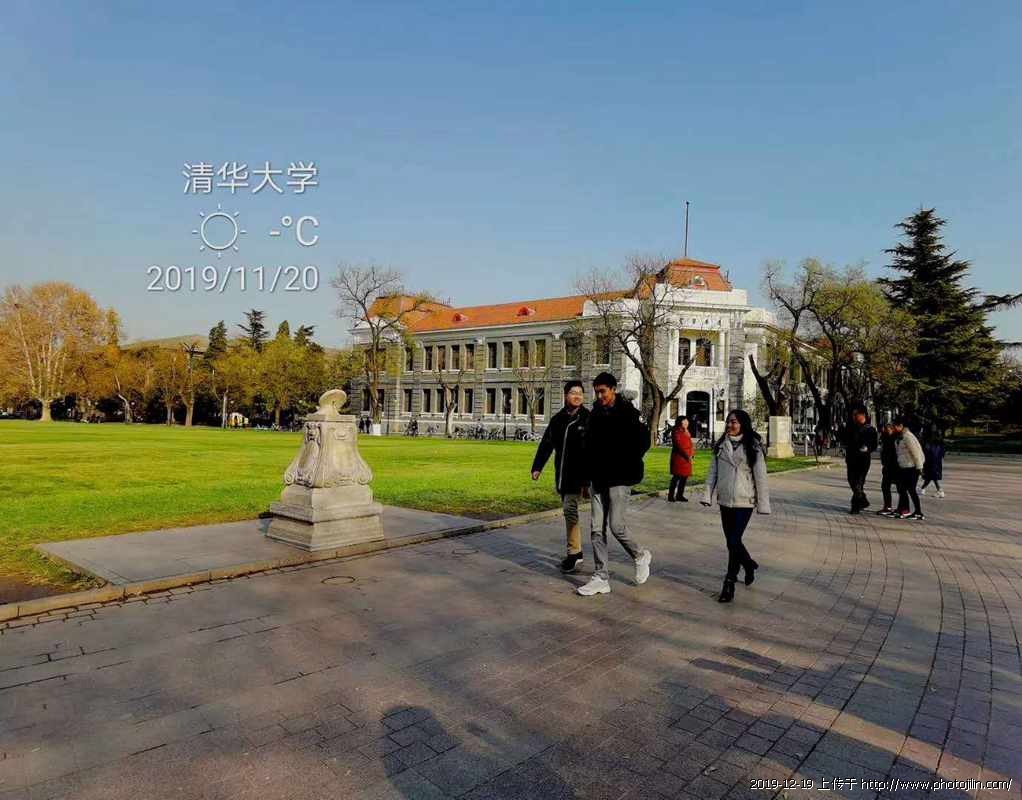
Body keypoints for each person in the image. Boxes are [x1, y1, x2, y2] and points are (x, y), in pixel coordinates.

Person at [576, 372, 652, 596]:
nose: (600, 396)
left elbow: (643, 442)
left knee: (616, 526)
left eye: (603, 391)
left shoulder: (628, 413)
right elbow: (587, 449)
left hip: (620, 477)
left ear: (613, 390)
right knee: (596, 529)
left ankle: (640, 555)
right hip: (598, 479)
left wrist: (625, 460)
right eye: (597, 392)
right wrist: (585, 479)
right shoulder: (594, 415)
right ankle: (601, 576)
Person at [701, 409, 771, 603]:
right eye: (728, 422)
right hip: (725, 500)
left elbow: (761, 477)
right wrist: (707, 494)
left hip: (744, 500)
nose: (730, 425)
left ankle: (729, 582)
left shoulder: (753, 446)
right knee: (732, 542)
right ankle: (748, 564)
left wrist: (763, 504)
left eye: (734, 422)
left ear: (743, 424)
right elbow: (713, 472)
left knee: (733, 541)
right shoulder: (721, 445)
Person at [531, 380, 591, 573]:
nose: (577, 396)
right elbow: (546, 444)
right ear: (565, 396)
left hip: (583, 475)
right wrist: (537, 467)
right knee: (569, 511)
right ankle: (575, 553)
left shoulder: (588, 419)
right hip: (564, 475)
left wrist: (588, 479)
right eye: (573, 392)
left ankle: (577, 554)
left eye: (580, 393)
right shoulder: (558, 419)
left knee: (574, 511)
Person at [843, 406, 878, 514]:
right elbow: (845, 439)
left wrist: (868, 448)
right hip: (851, 458)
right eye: (853, 415)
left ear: (862, 415)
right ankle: (863, 500)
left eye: (856, 414)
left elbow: (874, 444)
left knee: (859, 483)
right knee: (851, 480)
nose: (854, 416)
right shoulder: (851, 427)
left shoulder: (870, 429)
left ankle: (856, 506)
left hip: (863, 460)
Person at [892, 416, 925, 520]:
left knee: (911, 490)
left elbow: (916, 452)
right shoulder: (900, 436)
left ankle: (918, 512)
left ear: (901, 426)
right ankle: (903, 510)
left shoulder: (908, 436)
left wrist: (919, 467)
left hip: (912, 467)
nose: (893, 428)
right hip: (903, 467)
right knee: (902, 489)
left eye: (895, 426)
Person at [668, 415, 694, 502]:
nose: (687, 423)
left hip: (687, 458)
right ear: (680, 422)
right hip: (679, 457)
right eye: (685, 421)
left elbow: (690, 444)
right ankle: (671, 496)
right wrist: (687, 455)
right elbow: (679, 445)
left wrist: (692, 454)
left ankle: (680, 495)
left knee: (684, 477)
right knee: (676, 477)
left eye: (687, 421)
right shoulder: (677, 431)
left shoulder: (686, 431)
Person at [876, 422, 900, 516]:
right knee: (885, 486)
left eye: (889, 429)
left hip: (895, 466)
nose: (886, 430)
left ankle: (901, 507)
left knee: (899, 488)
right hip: (887, 466)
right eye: (886, 429)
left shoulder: (895, 439)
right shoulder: (885, 438)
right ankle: (888, 506)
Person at [921, 433, 946, 498]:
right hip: (935, 464)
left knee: (933, 477)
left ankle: (940, 490)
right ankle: (922, 488)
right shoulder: (940, 446)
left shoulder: (932, 445)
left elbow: (928, 454)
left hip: (932, 464)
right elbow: (942, 455)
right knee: (930, 477)